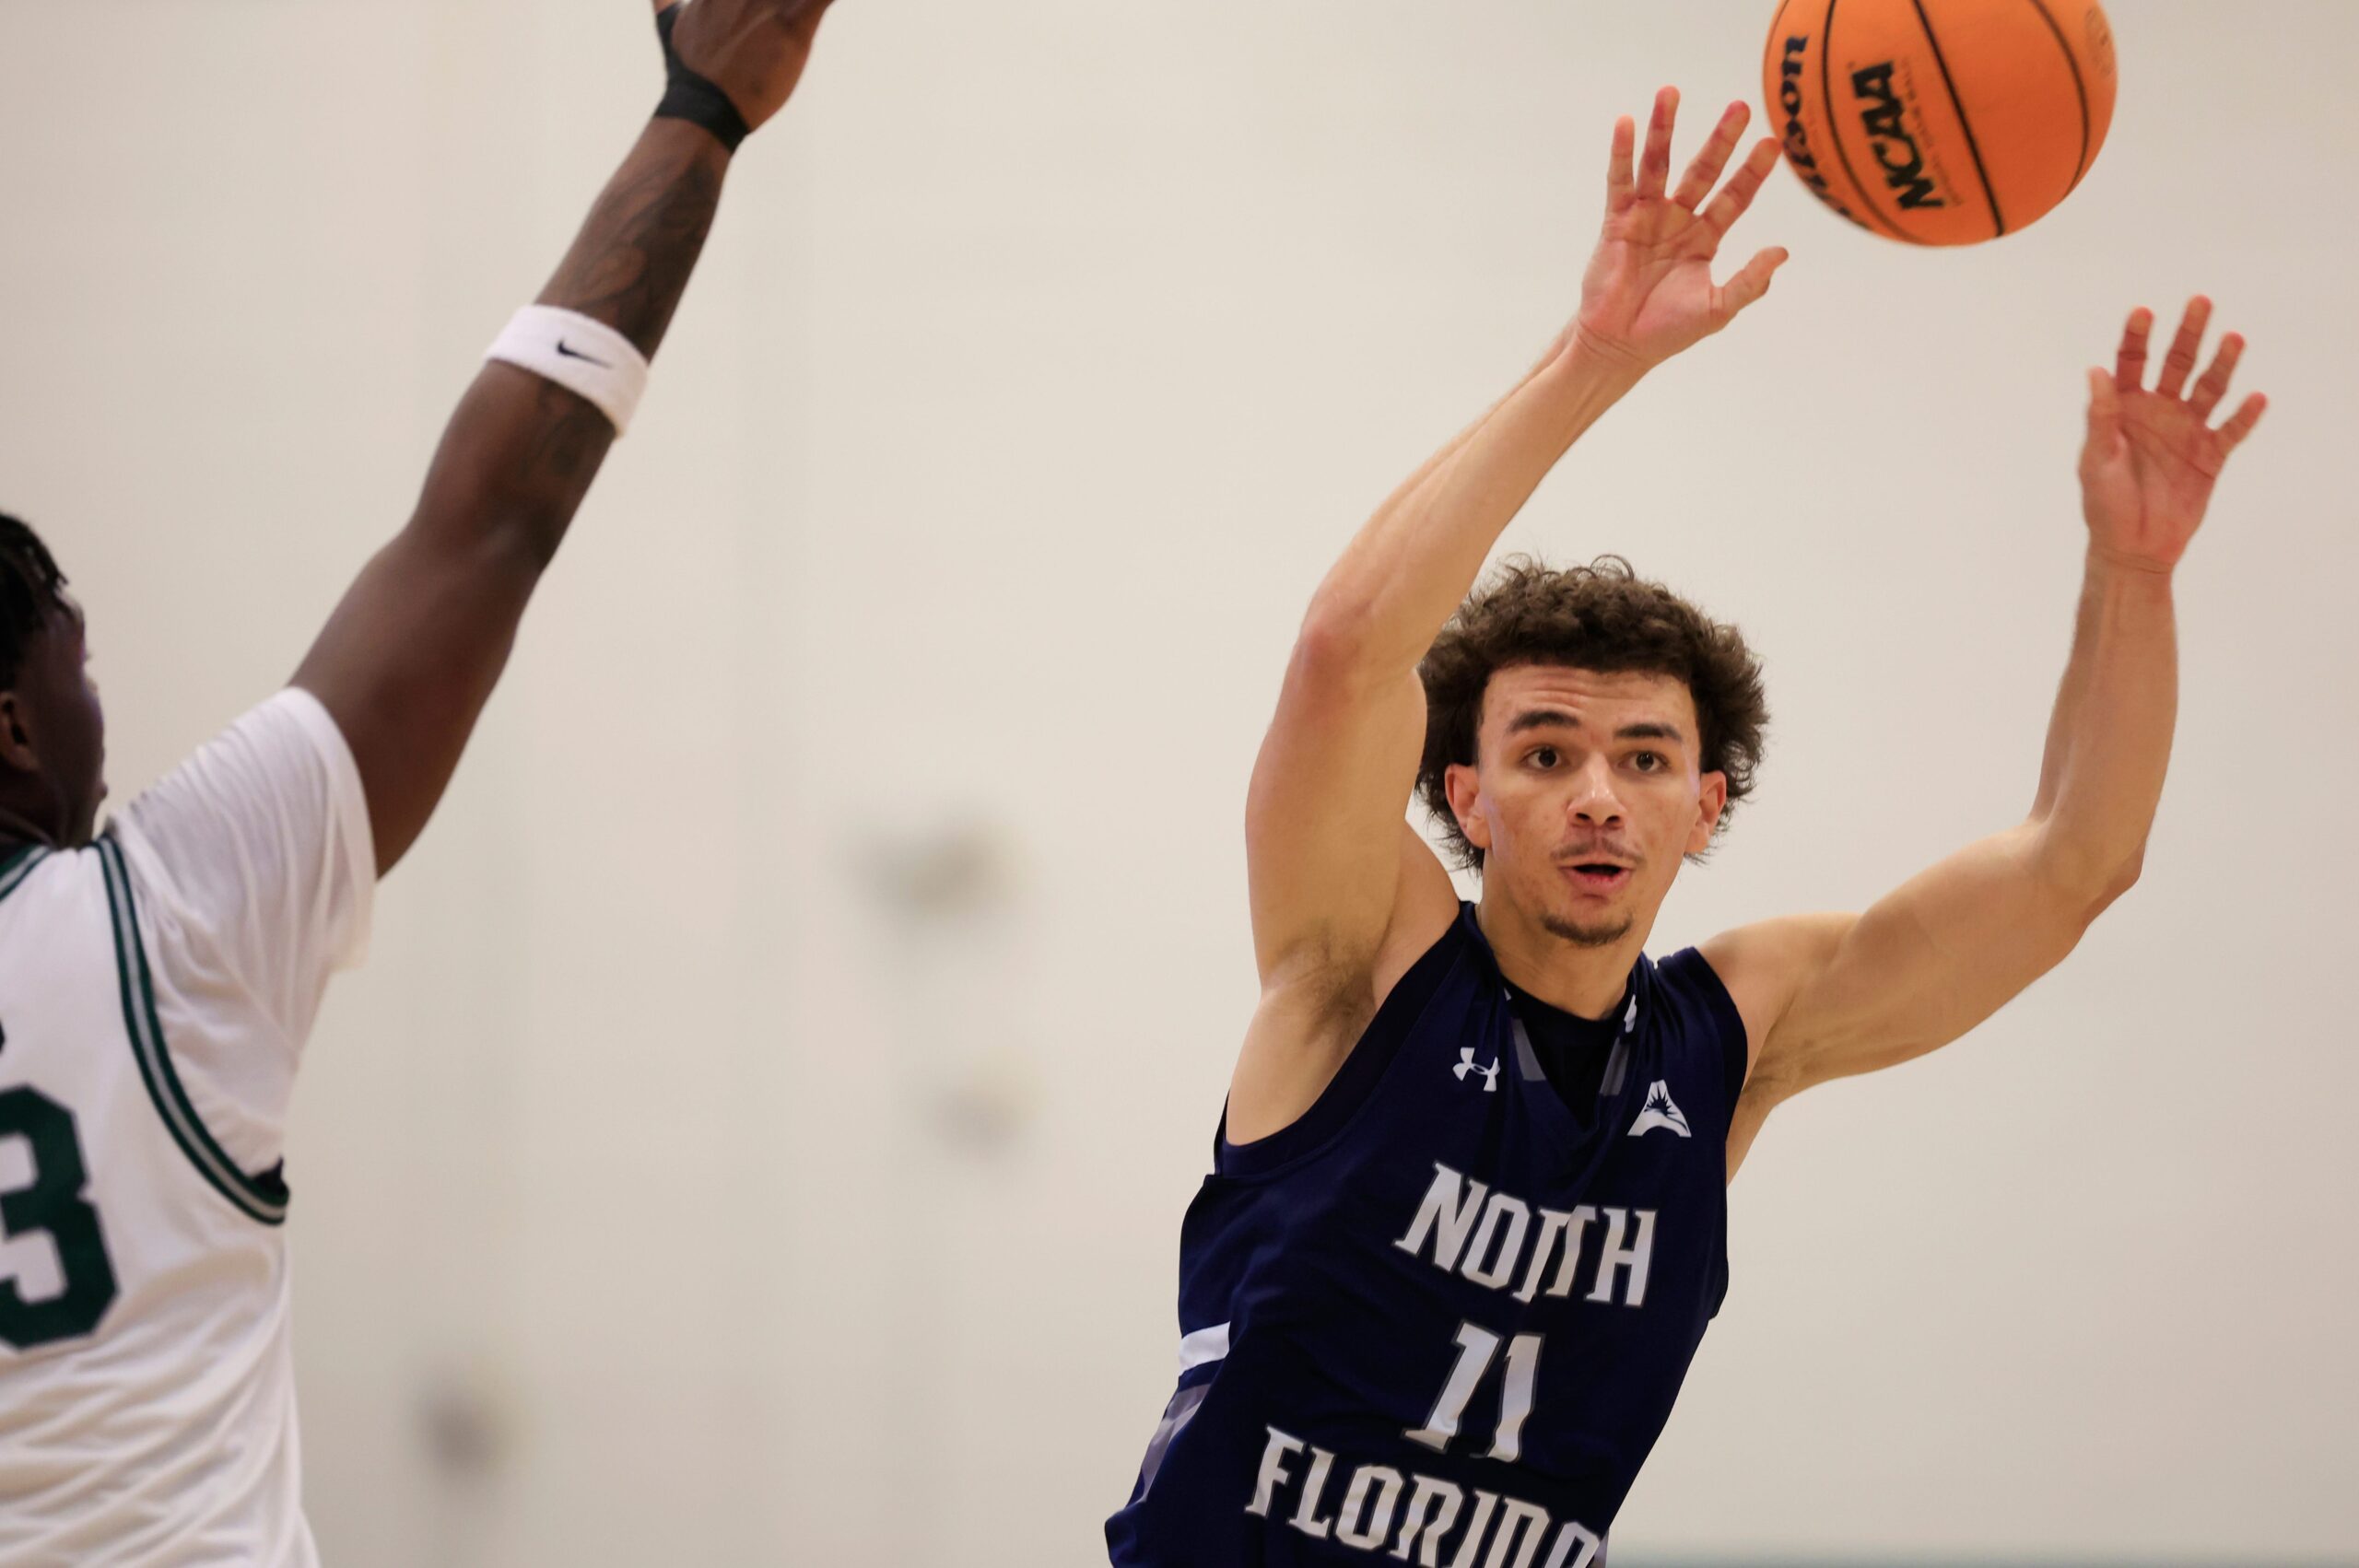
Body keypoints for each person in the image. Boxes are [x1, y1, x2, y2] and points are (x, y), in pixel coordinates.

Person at [1106, 88, 2265, 1567]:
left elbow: (2074, 864)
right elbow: (1346, 655)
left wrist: (2134, 572)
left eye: (1647, 757)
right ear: (1462, 793)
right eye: (1544, 750)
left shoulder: (1737, 1033)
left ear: (1706, 803)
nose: (1599, 790)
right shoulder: (1357, 962)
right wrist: (1594, 360)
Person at [0, 3, 839, 1561]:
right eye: (77, 669)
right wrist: (700, 112)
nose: (97, 708)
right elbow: (493, 521)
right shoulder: (165, 918)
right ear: (12, 731)